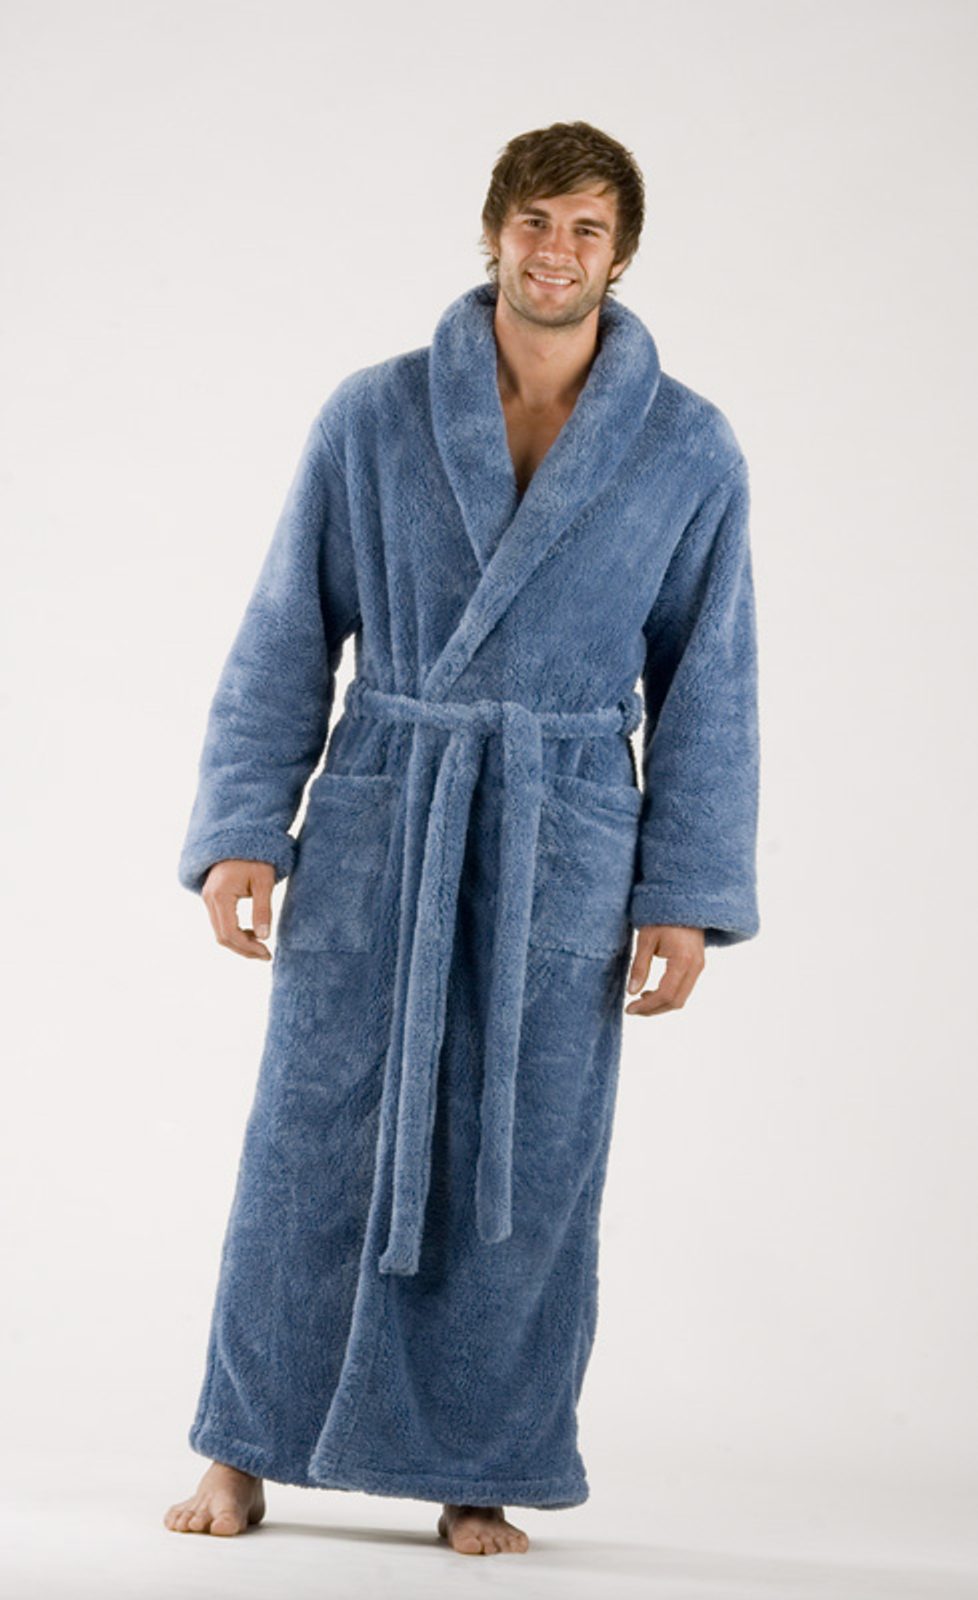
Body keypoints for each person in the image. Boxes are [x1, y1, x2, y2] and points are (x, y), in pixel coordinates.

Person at [164, 119, 760, 1558]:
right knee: (313, 1133)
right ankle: (244, 1446)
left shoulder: (686, 447)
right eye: (534, 221)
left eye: (586, 229)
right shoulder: (372, 415)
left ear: (622, 255)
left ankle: (476, 1463)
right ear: (493, 231)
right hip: (387, 809)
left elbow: (710, 680)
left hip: (562, 830)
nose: (556, 251)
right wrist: (246, 826)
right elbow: (287, 629)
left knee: (526, 1159)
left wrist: (682, 891)